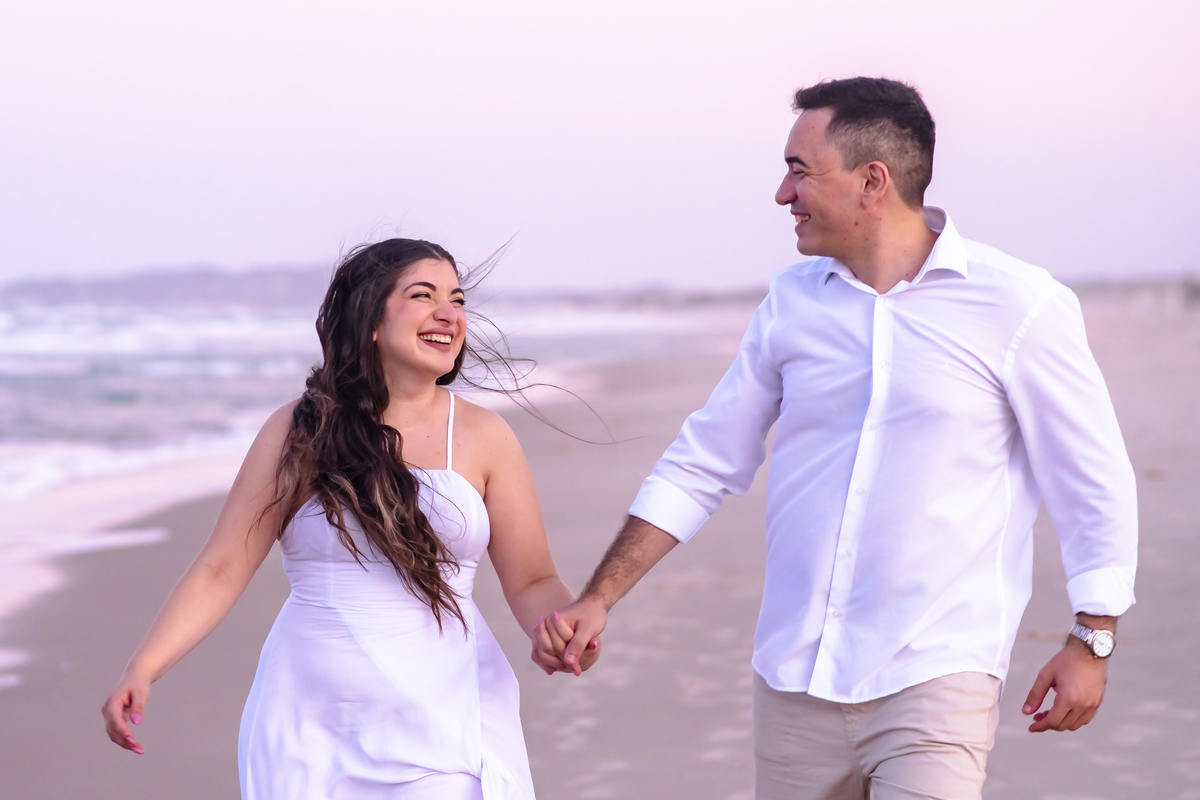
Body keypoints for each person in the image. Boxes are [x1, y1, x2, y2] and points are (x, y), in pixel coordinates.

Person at [537, 77, 1137, 798]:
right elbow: (702, 462)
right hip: (792, 681)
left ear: (872, 181)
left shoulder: (1019, 304)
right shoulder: (790, 304)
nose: (782, 195)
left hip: (936, 676)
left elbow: (1091, 479)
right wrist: (599, 597)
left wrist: (1092, 638)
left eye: (799, 170)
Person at [102, 238, 597, 799]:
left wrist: (563, 631)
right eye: (423, 295)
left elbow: (532, 579)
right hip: (309, 728)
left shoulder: (485, 436)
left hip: (448, 721)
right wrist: (144, 667)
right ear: (370, 320)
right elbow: (222, 567)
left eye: (457, 300)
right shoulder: (299, 430)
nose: (449, 313)